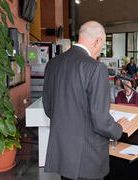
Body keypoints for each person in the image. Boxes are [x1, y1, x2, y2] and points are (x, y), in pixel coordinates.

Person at [42, 21, 130, 180]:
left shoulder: (52, 64)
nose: (100, 51)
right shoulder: (95, 68)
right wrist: (118, 129)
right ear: (97, 41)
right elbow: (100, 120)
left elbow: (48, 108)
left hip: (63, 153)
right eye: (102, 46)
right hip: (87, 156)